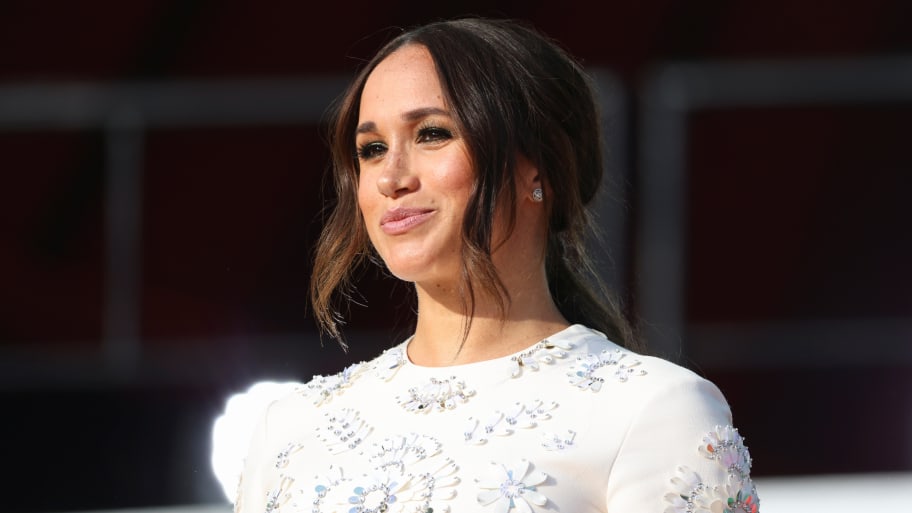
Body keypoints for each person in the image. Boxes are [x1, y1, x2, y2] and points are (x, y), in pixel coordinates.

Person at [223, 17, 759, 513]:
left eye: (432, 134)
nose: (391, 177)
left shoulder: (652, 412)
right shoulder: (291, 427)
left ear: (540, 166)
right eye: (372, 148)